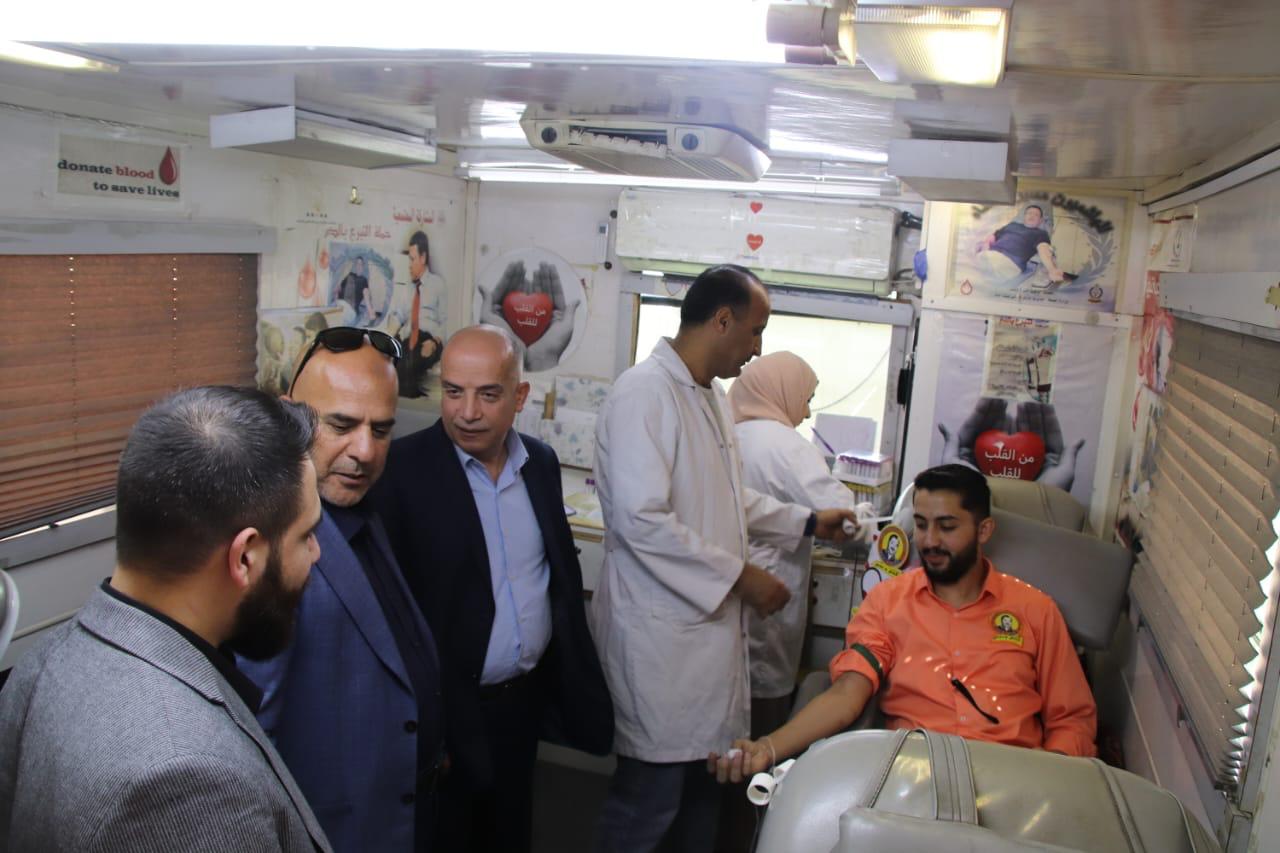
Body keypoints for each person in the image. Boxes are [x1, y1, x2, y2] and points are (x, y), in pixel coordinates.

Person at [591, 265, 859, 853]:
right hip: (662, 647)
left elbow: (728, 497)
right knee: (649, 805)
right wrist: (741, 577)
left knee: (700, 804)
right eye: (755, 330)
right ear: (721, 320)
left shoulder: (709, 396)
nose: (757, 348)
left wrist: (806, 520)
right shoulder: (644, 394)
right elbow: (641, 520)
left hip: (705, 649)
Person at [0, 386, 331, 852]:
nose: (316, 553)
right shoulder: (187, 782)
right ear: (245, 557)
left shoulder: (41, 664)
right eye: (306, 535)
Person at [371, 325, 612, 853]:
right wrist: (428, 728)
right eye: (453, 392)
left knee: (509, 832)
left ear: (519, 396)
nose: (467, 413)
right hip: (448, 713)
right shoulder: (402, 472)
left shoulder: (540, 464)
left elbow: (555, 578)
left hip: (521, 706)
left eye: (487, 394)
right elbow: (390, 615)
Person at [709, 464, 1098, 789]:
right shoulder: (888, 602)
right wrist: (768, 748)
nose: (929, 541)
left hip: (1012, 780)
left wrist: (1049, 789)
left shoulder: (1035, 611)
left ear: (984, 531)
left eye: (947, 526)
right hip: (915, 779)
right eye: (922, 525)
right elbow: (847, 694)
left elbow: (1071, 719)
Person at [239, 327, 445, 853]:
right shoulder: (270, 549)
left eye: (382, 429)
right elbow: (253, 742)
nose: (365, 451)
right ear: (289, 416)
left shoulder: (362, 508)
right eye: (342, 425)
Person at [727, 352, 859, 734]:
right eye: (806, 399)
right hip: (772, 587)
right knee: (764, 712)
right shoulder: (787, 445)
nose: (806, 412)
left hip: (728, 587)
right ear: (781, 391)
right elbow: (843, 514)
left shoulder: (726, 435)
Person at [383, 230, 445, 397]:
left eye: (412, 259)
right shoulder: (408, 289)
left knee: (407, 368)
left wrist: (435, 342)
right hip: (408, 339)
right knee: (394, 360)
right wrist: (386, 338)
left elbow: (446, 322)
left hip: (429, 340)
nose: (409, 265)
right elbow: (398, 316)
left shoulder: (438, 285)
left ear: (423, 258)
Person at [976, 203, 1068, 285]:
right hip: (991, 255)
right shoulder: (1012, 225)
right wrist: (986, 243)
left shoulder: (1040, 233)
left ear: (1040, 221)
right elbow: (994, 235)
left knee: (975, 268)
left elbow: (1043, 249)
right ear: (1024, 217)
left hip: (1010, 262)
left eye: (1036, 214)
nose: (1032, 215)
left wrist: (1052, 269)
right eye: (1029, 213)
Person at [337, 256, 371, 324]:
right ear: (355, 265)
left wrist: (370, 311)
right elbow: (339, 288)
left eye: (361, 264)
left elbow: (366, 295)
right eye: (357, 264)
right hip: (339, 304)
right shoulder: (349, 275)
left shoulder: (363, 280)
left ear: (363, 266)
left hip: (350, 309)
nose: (359, 266)